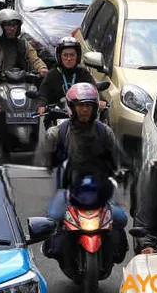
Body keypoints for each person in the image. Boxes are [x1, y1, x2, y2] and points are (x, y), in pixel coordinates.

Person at [38, 82, 129, 264]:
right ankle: (55, 249)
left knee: (120, 219)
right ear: (72, 108)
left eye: (88, 105)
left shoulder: (105, 132)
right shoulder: (59, 132)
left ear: (95, 107)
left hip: (100, 187)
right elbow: (47, 162)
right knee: (53, 218)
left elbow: (116, 163)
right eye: (80, 105)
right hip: (69, 187)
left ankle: (116, 251)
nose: (84, 110)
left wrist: (120, 189)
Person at [37, 37, 97, 115]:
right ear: (59, 57)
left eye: (72, 55)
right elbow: (43, 92)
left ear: (77, 57)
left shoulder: (83, 73)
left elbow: (93, 89)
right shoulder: (52, 74)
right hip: (55, 116)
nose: (69, 58)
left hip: (79, 115)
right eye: (65, 55)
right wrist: (41, 105)